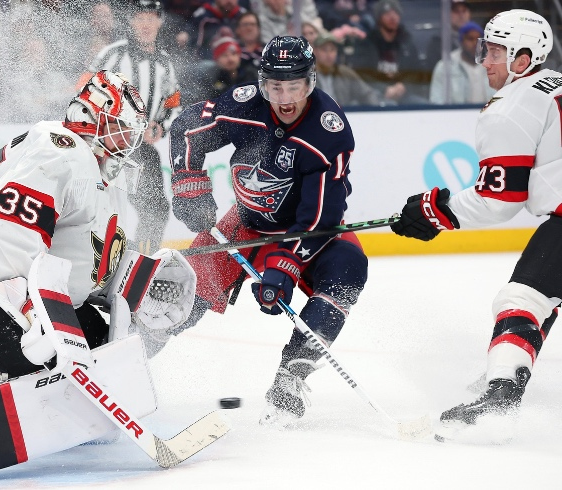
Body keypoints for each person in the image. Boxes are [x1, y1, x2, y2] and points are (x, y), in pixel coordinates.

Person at [0, 70, 198, 486]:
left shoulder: (92, 171)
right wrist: (31, 307)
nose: (128, 141)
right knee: (45, 384)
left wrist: (134, 280)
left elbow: (82, 259)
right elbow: (4, 226)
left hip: (17, 293)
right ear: (92, 121)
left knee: (108, 357)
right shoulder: (60, 151)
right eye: (120, 129)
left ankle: (57, 401)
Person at [168, 35, 368, 423]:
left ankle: (291, 378)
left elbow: (319, 221)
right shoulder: (243, 104)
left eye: (295, 85)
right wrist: (189, 185)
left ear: (311, 82)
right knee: (178, 295)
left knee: (349, 271)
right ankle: (131, 353)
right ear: (263, 83)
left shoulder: (329, 132)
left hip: (306, 234)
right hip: (243, 225)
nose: (286, 97)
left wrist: (283, 266)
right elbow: (187, 129)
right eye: (276, 86)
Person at [390, 9, 561, 441]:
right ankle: (507, 370)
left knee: (521, 297)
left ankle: (500, 397)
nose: (484, 60)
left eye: (496, 52)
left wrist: (436, 211)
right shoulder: (555, 82)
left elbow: (500, 200)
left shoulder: (511, 107)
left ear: (523, 59)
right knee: (544, 296)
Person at [85, 0, 183, 254]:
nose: (146, 24)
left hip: (140, 149)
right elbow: (86, 95)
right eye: (140, 18)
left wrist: (161, 125)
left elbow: (173, 104)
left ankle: (139, 260)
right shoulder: (113, 54)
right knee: (99, 208)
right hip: (105, 147)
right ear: (130, 21)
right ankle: (98, 261)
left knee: (157, 209)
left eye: (151, 18)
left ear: (160, 22)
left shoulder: (164, 63)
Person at [348, 0, 429, 105]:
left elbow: (417, 72)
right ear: (379, 18)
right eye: (387, 13)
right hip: (374, 95)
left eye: (396, 13)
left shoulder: (406, 43)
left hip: (404, 95)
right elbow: (361, 75)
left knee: (423, 104)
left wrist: (404, 86)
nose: (393, 17)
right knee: (390, 104)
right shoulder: (367, 44)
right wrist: (384, 89)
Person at [429, 21, 494, 105]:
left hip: (489, 115)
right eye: (470, 39)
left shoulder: (493, 65)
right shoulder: (445, 66)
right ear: (461, 41)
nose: (475, 43)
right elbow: (436, 100)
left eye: (478, 39)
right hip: (456, 116)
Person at [314, 32, 380, 106]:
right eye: (324, 50)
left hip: (343, 114)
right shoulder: (307, 75)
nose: (329, 54)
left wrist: (376, 112)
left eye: (332, 50)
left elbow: (367, 93)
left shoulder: (345, 72)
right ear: (315, 51)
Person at [424, 0, 471, 73]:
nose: (461, 15)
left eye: (464, 11)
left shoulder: (478, 40)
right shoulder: (437, 44)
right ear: (446, 14)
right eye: (456, 11)